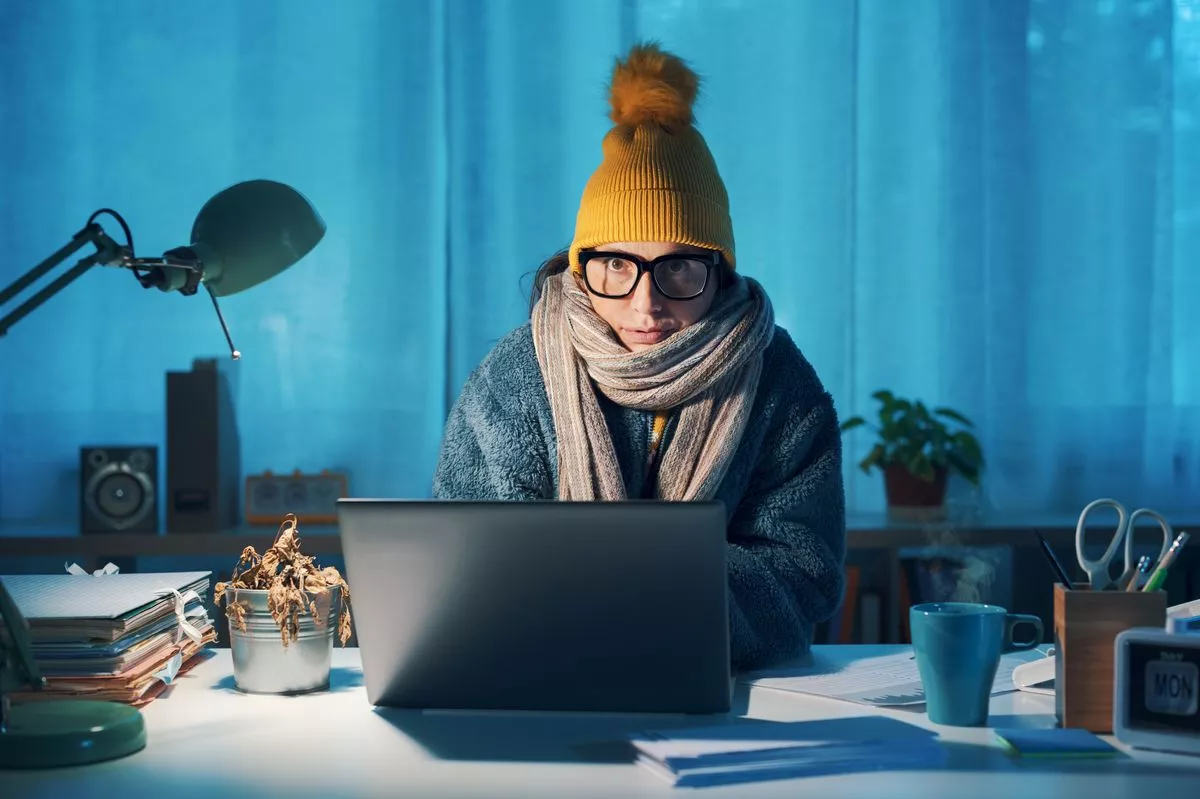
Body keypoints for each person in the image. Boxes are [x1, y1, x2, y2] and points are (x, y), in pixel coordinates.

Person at [432, 41, 846, 671]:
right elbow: (463, 557)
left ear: (720, 272)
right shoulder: (516, 377)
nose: (645, 304)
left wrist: (639, 594)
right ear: (582, 267)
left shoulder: (780, 383)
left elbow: (803, 576)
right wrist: (656, 581)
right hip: (540, 674)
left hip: (721, 683)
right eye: (617, 265)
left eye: (678, 267)